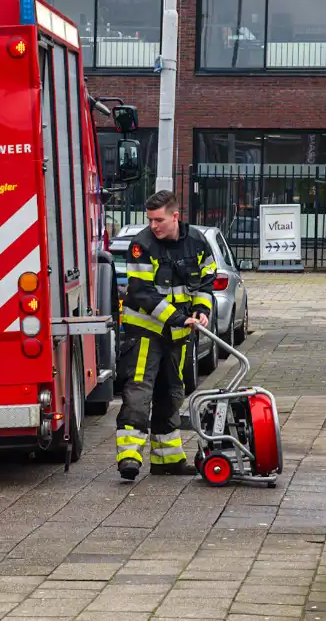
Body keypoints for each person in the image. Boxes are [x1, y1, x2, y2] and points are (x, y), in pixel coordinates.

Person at [115, 190, 217, 480]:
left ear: (175, 216)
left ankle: (167, 460)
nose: (153, 226)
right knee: (138, 392)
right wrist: (178, 317)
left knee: (172, 394)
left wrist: (201, 311)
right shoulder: (141, 245)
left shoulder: (197, 243)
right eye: (150, 220)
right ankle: (129, 458)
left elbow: (206, 284)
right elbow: (141, 292)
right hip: (145, 332)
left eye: (158, 220)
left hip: (178, 334)